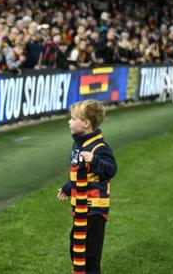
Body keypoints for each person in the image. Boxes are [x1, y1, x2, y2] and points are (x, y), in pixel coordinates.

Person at [57, 100, 117, 274]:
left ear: (86, 123)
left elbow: (111, 169)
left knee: (90, 254)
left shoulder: (99, 147)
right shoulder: (78, 145)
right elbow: (80, 174)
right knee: (75, 247)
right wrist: (68, 187)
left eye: (73, 118)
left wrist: (96, 160)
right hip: (80, 209)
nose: (69, 121)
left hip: (95, 211)